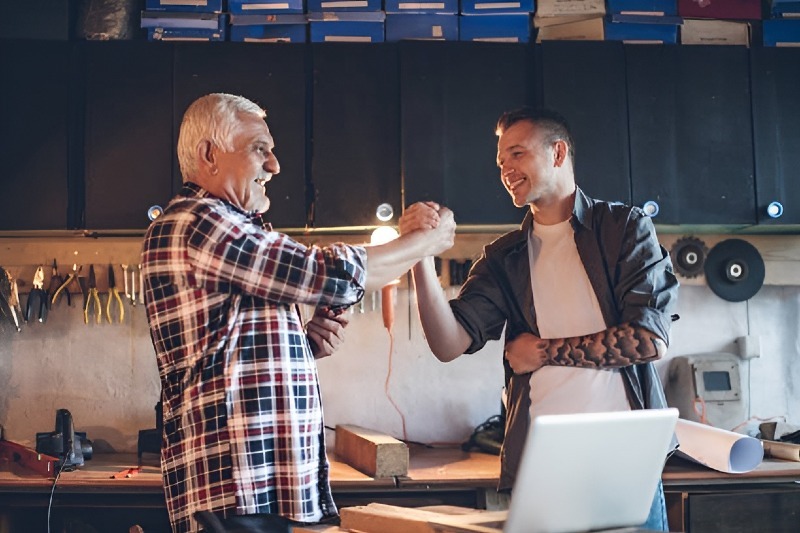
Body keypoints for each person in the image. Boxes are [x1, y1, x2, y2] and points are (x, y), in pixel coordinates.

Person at [140, 93, 456, 533]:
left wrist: (298, 346)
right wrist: (425, 240)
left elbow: (224, 350)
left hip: (262, 489)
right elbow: (322, 272)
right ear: (209, 155)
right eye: (259, 149)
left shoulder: (230, 226)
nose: (275, 166)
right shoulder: (198, 220)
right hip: (236, 488)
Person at [400, 107, 679, 531]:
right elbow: (447, 343)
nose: (506, 169)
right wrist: (417, 253)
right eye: (500, 163)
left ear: (558, 152)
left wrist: (544, 353)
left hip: (625, 459)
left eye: (517, 154)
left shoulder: (623, 227)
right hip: (542, 467)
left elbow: (647, 340)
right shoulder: (504, 257)